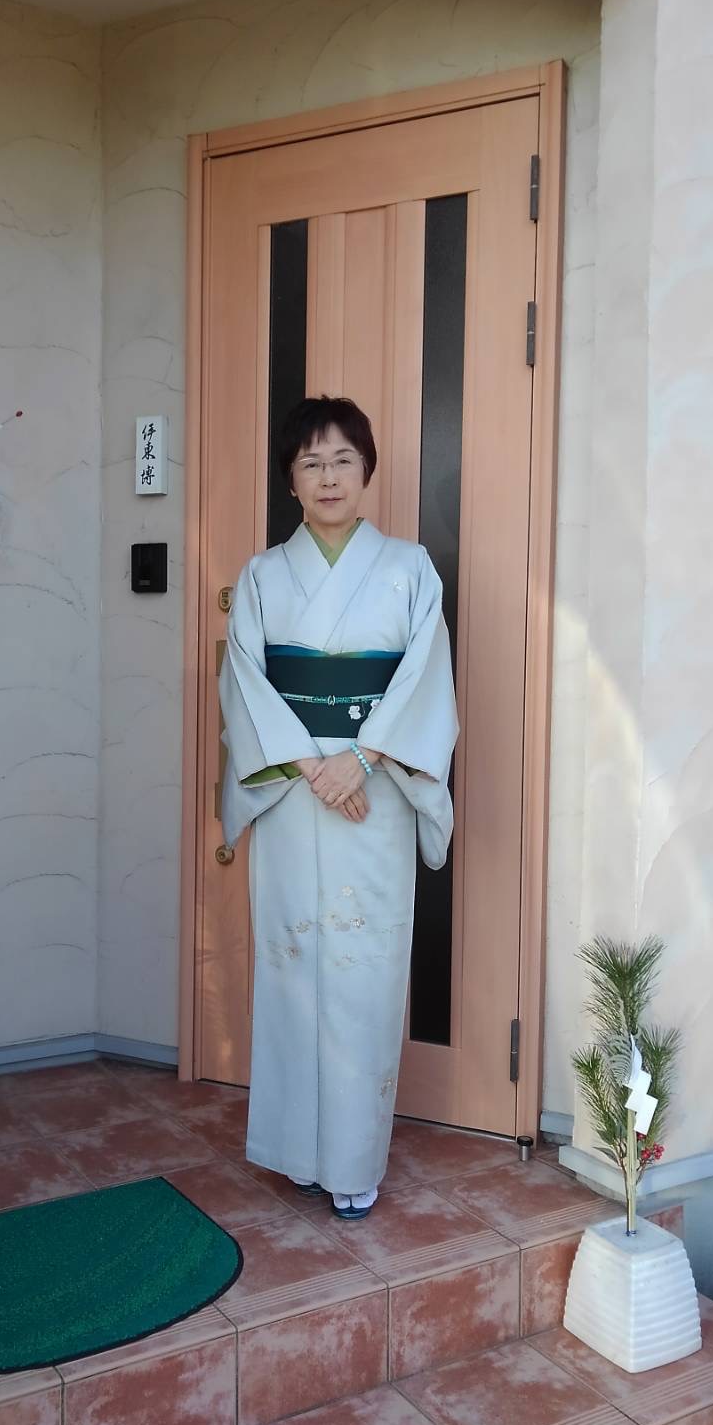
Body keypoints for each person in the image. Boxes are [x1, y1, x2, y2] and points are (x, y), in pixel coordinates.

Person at [218, 396, 458, 1219]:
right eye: (310, 463)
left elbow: (424, 679)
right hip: (293, 791)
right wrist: (312, 766)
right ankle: (296, 1149)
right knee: (291, 963)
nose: (328, 477)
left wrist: (360, 759)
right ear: (290, 480)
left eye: (343, 461)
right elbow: (245, 683)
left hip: (374, 792)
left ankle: (353, 1160)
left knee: (364, 971)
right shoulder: (262, 575)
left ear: (366, 471)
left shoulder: (408, 569)